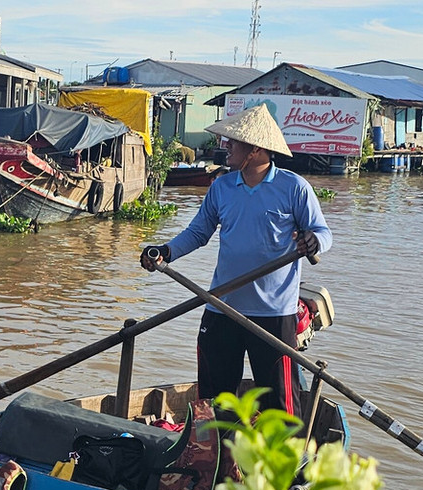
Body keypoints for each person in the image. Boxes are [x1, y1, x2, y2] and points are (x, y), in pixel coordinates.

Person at [139, 103, 332, 420]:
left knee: (279, 405)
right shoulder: (222, 187)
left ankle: (286, 453)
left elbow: (323, 233)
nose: (225, 146)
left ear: (255, 149)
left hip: (273, 314)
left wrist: (313, 240)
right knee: (214, 401)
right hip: (222, 307)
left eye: (233, 142)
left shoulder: (293, 188)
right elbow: (198, 232)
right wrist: (166, 251)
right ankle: (214, 451)